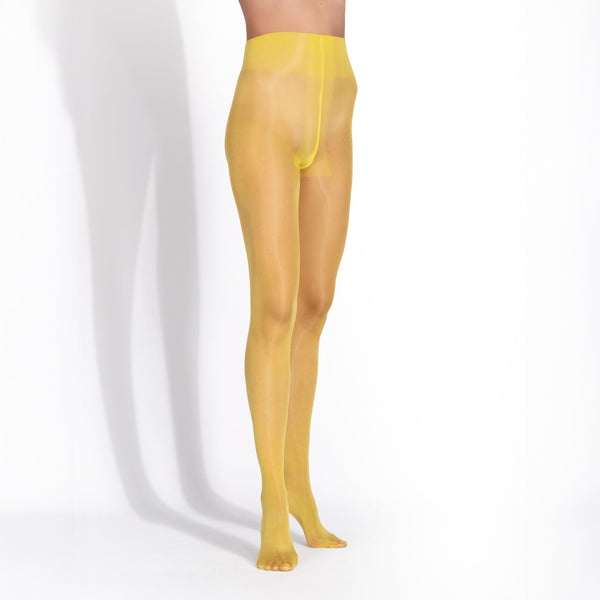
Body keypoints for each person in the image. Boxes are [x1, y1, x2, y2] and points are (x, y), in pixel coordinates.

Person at [224, 0, 357, 571]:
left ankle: (298, 482)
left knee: (315, 303)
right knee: (276, 306)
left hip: (336, 108)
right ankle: (273, 499)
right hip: (268, 107)